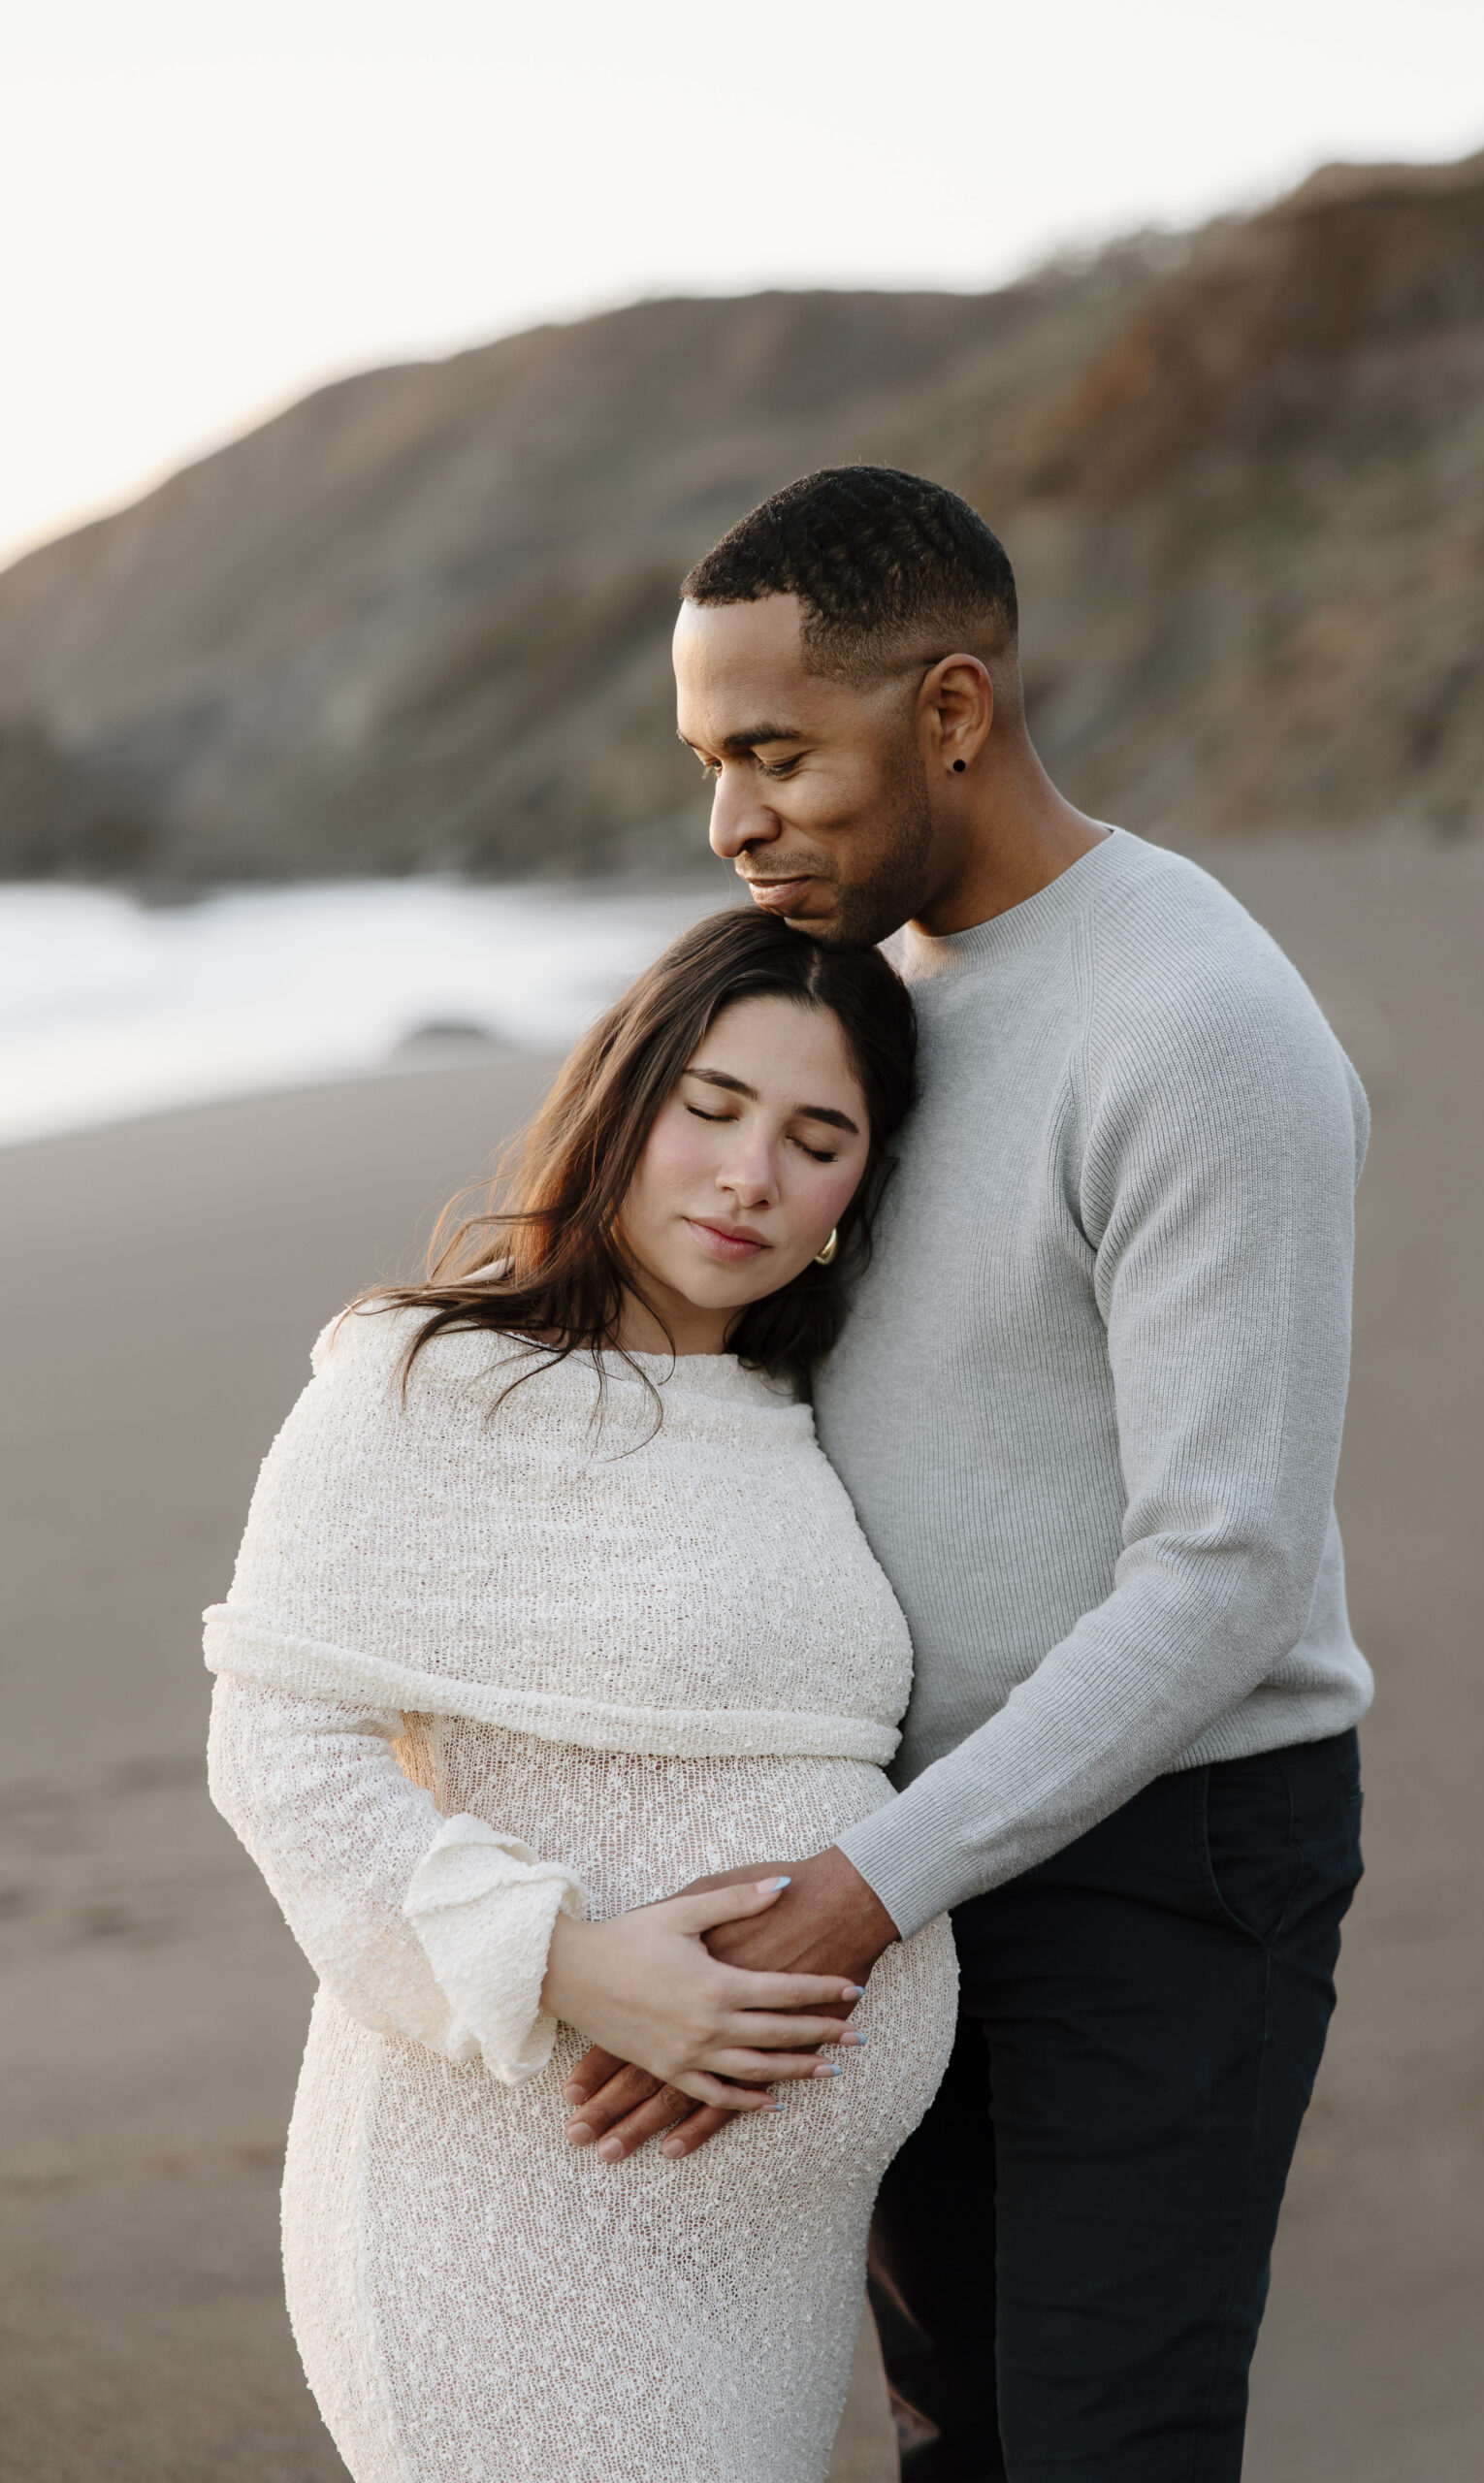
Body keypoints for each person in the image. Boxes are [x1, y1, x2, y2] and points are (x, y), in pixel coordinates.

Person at [562, 467, 1372, 2482]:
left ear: (945, 712)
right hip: (904, 1845)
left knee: (1107, 2443)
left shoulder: (1192, 1026)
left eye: (772, 753)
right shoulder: (873, 999)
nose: (728, 820)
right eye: (704, 759)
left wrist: (859, 1893)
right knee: (961, 2437)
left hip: (1159, 1857)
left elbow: (1226, 1571)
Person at [205, 909, 958, 2483]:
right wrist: (572, 1962)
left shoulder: (799, 1419)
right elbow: (277, 1743)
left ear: (857, 1194)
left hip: (760, 2268)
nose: (754, 1174)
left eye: (819, 1138)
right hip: (506, 2212)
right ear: (625, 1099)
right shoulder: (419, 1381)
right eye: (713, 1107)